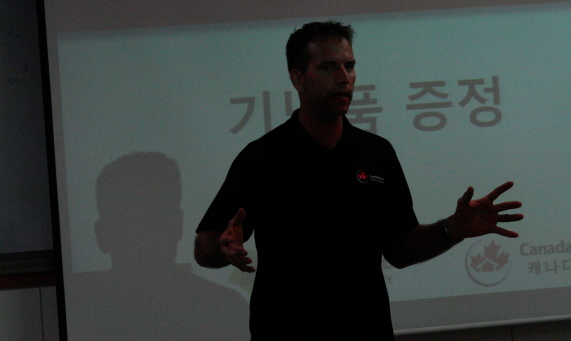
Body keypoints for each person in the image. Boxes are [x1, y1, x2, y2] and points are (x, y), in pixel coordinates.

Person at [194, 21, 523, 340]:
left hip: (367, 329)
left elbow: (399, 250)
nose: (343, 78)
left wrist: (452, 229)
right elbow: (205, 244)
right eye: (327, 67)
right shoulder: (262, 157)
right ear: (298, 78)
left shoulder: (376, 152)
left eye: (349, 66)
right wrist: (221, 248)